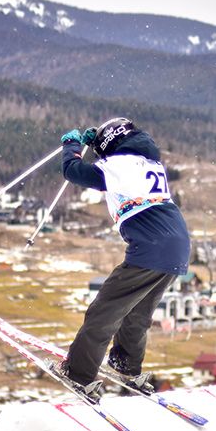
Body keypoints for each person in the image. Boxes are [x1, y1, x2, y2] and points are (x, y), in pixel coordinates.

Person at [56, 117, 190, 401]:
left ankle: (78, 373)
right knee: (137, 313)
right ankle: (125, 364)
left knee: (105, 312)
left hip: (152, 247)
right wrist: (97, 146)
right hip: (176, 247)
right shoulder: (149, 162)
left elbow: (74, 172)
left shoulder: (120, 164)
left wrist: (71, 146)